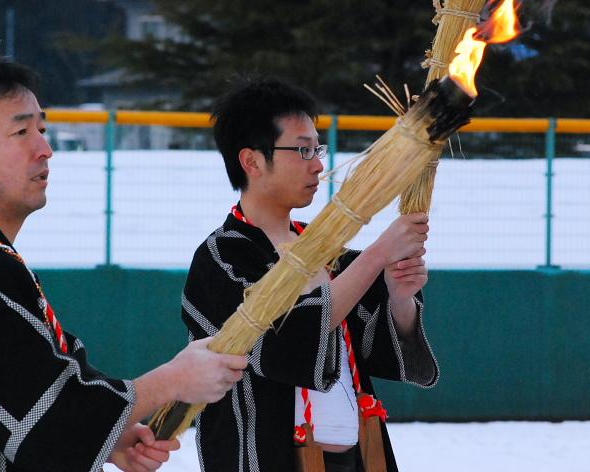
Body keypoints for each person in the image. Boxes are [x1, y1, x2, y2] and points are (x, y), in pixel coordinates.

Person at [0, 56, 248, 472]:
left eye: (41, 128)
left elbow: (41, 398)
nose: (44, 148)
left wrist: (107, 436)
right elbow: (47, 420)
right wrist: (173, 380)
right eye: (21, 131)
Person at [183, 77, 439, 471]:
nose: (319, 164)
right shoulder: (223, 257)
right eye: (302, 150)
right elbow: (281, 342)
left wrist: (400, 294)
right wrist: (378, 254)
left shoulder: (326, 251)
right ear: (251, 160)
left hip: (354, 456)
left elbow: (376, 347)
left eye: (316, 148)